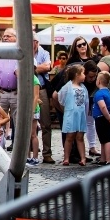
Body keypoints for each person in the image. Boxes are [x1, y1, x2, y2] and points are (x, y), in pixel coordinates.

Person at [58, 64, 89, 166]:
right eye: (83, 73)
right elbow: (61, 97)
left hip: (80, 115)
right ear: (77, 75)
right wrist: (66, 108)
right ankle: (66, 157)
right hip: (71, 114)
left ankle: (83, 158)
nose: (85, 75)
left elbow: (86, 102)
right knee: (69, 137)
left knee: (80, 137)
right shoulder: (68, 86)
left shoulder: (83, 87)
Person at [32, 34, 54, 164]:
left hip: (42, 89)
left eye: (34, 41)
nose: (32, 44)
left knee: (46, 123)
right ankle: (30, 153)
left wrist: (32, 69)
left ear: (37, 42)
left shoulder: (44, 53)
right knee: (29, 124)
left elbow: (47, 67)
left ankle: (47, 153)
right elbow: (20, 70)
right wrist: (38, 68)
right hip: (28, 90)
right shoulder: (24, 51)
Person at [92, 72, 110, 166]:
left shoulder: (99, 94)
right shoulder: (109, 92)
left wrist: (109, 118)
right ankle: (103, 158)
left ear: (99, 81)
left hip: (101, 118)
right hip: (106, 118)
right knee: (103, 139)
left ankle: (108, 159)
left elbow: (103, 107)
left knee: (106, 140)